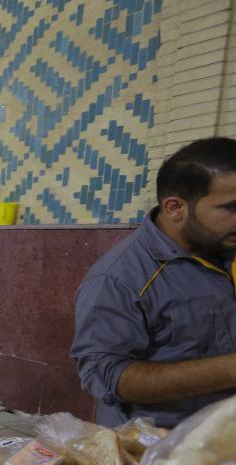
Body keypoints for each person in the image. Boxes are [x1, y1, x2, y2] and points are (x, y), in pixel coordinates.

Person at [71, 137, 236, 428]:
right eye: (232, 208)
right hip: (160, 450)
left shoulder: (225, 250)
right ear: (175, 208)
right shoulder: (118, 279)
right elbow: (109, 375)